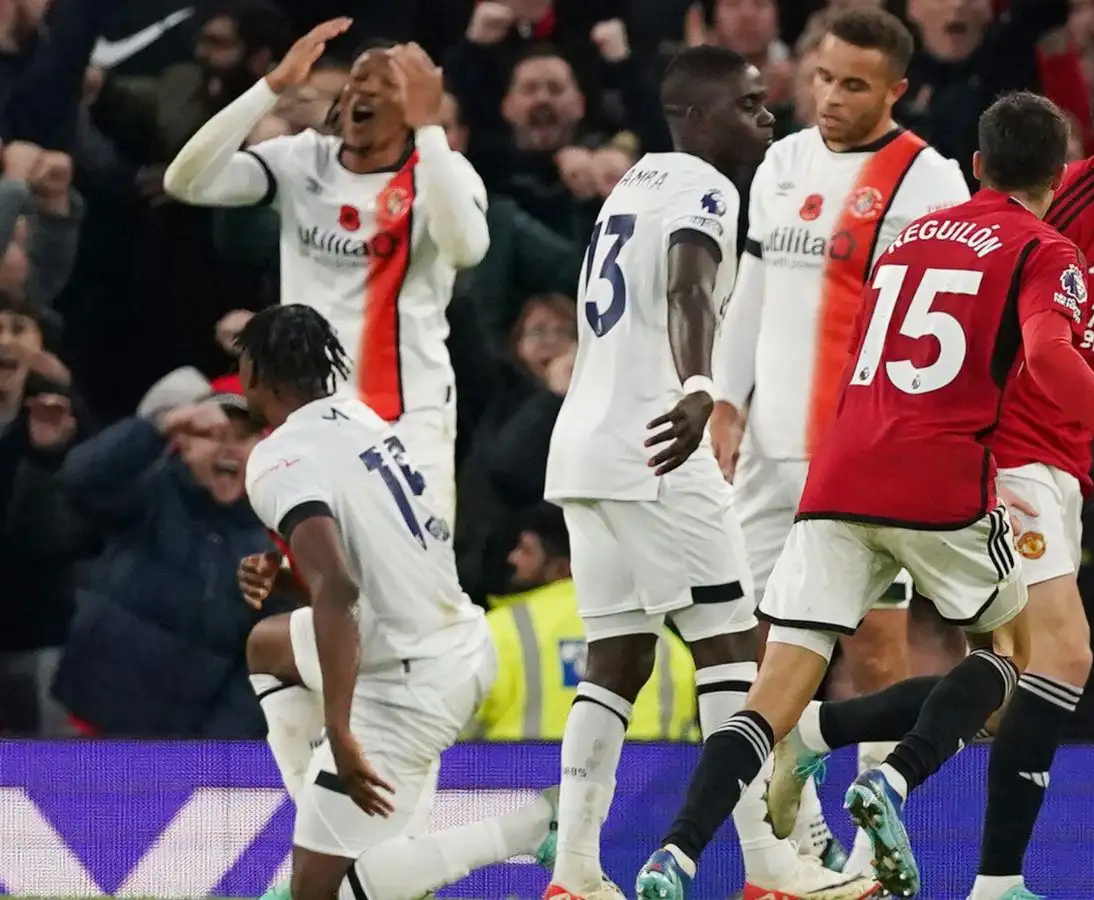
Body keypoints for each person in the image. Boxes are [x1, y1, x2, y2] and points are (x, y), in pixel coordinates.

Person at [635, 91, 1094, 900]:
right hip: (940, 483)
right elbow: (1049, 353)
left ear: (976, 167)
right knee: (1012, 662)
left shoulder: (908, 240)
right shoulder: (1047, 248)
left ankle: (675, 855)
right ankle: (894, 779)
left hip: (839, 473)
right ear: (1054, 176)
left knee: (773, 692)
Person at [541, 45, 876, 900]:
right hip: (659, 445)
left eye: (768, 104)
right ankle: (768, 868)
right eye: (750, 105)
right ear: (695, 116)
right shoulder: (704, 185)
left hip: (584, 445)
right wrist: (700, 387)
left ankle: (575, 871)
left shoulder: (635, 181)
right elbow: (691, 285)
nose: (768, 118)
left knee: (617, 658)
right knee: (733, 650)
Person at [708, 7, 971, 868]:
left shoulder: (928, 180)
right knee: (744, 640)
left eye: (854, 84)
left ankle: (867, 854)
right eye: (822, 77)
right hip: (766, 451)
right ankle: (789, 834)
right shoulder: (781, 161)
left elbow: (946, 330)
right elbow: (749, 290)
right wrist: (723, 401)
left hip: (860, 453)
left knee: (876, 650)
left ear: (896, 89)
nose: (830, 97)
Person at [229, 304, 554, 900]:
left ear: (259, 376)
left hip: (408, 682)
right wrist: (289, 585)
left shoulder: (275, 458)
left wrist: (340, 729)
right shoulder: (359, 419)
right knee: (268, 645)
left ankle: (527, 826)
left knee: (323, 894)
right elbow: (366, 574)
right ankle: (324, 818)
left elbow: (340, 589)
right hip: (451, 639)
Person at [163, 17, 490, 525]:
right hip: (311, 419)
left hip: (406, 419)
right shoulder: (302, 161)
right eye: (359, 79)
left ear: (413, 107)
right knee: (329, 583)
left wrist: (430, 131)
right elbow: (186, 181)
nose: (367, 90)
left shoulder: (439, 176)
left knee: (420, 592)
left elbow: (468, 248)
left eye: (388, 85)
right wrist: (270, 87)